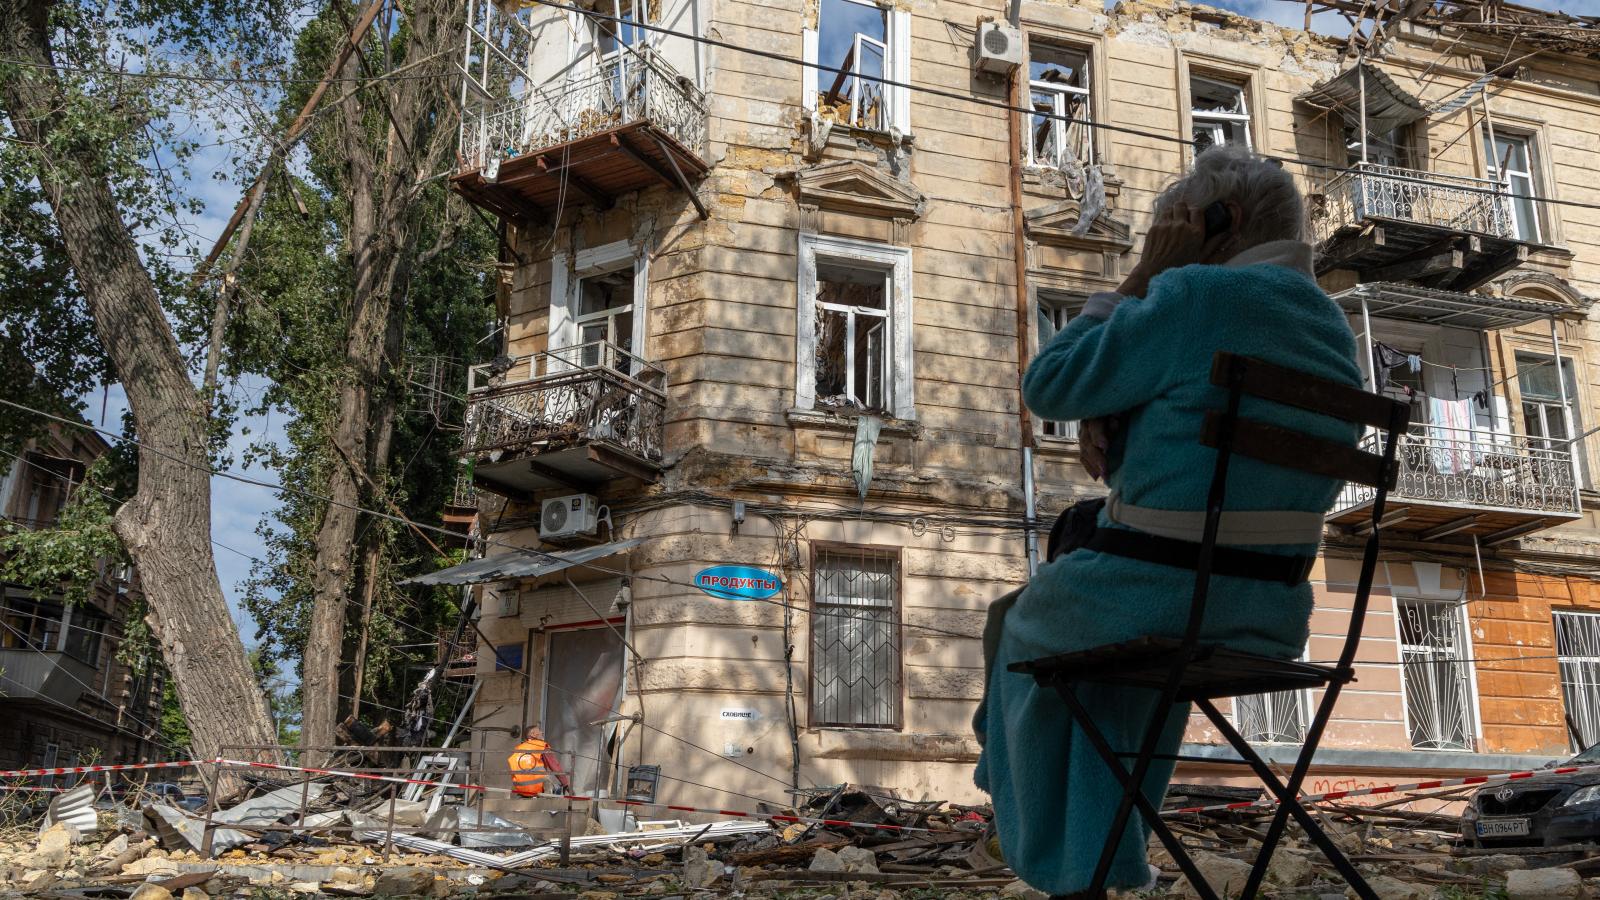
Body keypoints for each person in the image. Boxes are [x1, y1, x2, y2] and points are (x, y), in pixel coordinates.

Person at [973, 145, 1363, 897]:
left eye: (1176, 223)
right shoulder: (1329, 325)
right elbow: (1207, 454)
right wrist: (1117, 415)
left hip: (1160, 598)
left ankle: (1048, 843)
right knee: (1115, 668)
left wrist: (1146, 270)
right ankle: (1103, 859)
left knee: (1020, 626)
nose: (1166, 238)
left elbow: (1049, 384)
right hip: (1270, 613)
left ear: (1223, 219)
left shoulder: (1194, 294)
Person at [508, 725, 572, 797]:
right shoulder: (541, 746)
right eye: (539, 731)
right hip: (538, 788)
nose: (542, 732)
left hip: (520, 789)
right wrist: (566, 784)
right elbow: (555, 767)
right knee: (558, 789)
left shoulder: (518, 749)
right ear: (532, 734)